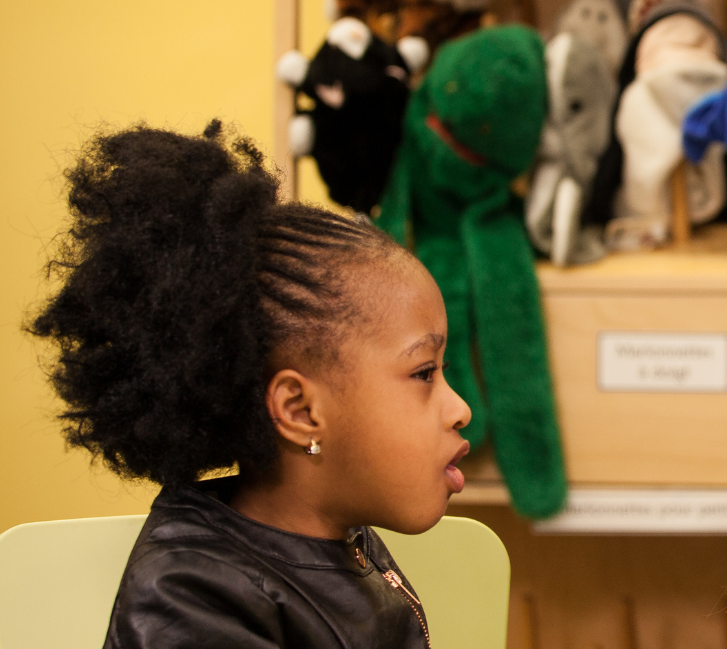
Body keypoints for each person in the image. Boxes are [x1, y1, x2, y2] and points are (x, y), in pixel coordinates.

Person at [29, 123, 473, 649]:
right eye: (424, 373)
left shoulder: (343, 536)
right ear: (301, 411)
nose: (460, 408)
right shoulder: (190, 597)